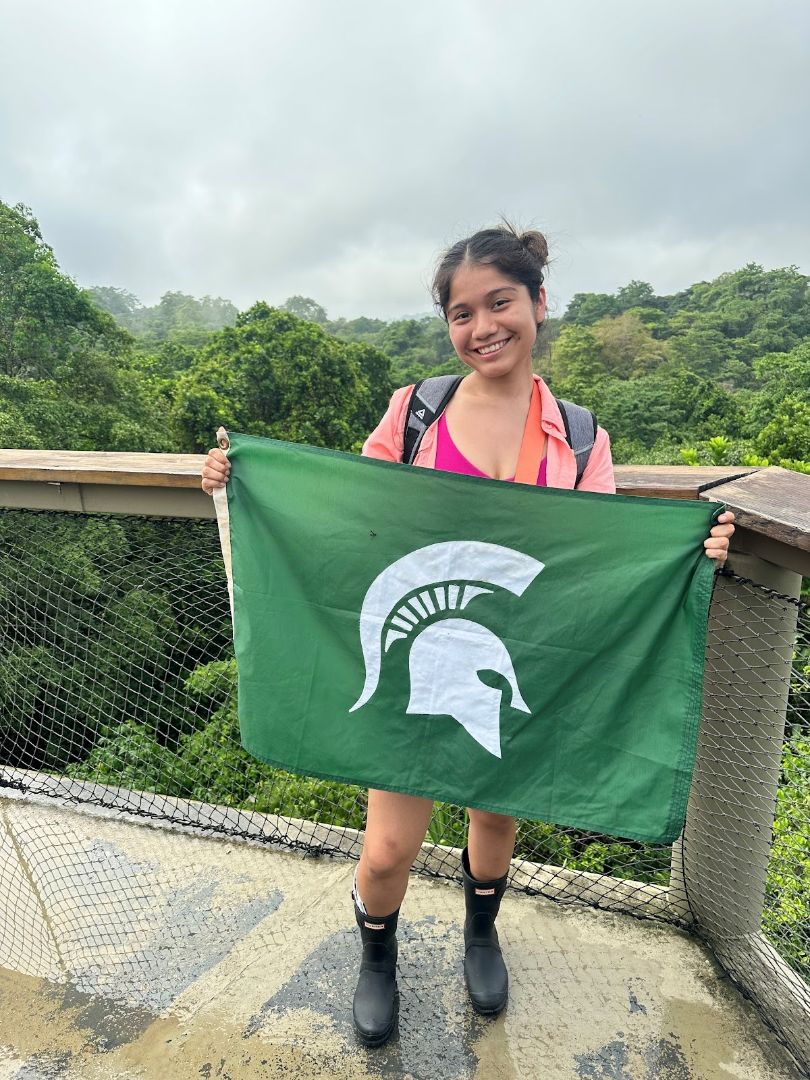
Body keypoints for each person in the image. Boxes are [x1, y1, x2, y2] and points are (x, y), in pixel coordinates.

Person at [201, 224, 735, 1048]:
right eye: (461, 312)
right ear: (447, 325)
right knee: (387, 851)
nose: (482, 326)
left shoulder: (582, 436)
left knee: (493, 828)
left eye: (499, 303)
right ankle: (377, 956)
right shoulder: (416, 412)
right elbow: (352, 514)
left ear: (537, 305)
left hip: (514, 663)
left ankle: (482, 931)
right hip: (418, 660)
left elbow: (595, 559)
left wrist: (692, 554)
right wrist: (244, 482)